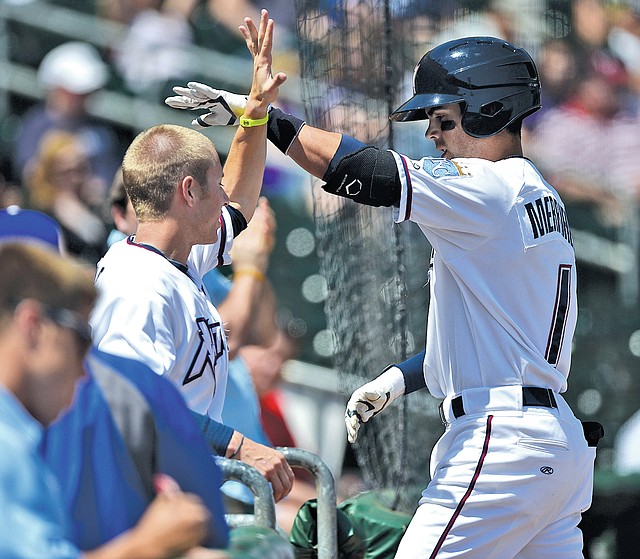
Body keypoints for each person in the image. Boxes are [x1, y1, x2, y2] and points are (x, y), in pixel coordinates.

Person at [167, 29, 602, 557]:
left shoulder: (489, 186)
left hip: (501, 441)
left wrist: (261, 118)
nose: (435, 136)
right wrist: (397, 380)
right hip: (556, 446)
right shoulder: (537, 195)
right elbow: (491, 337)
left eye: (445, 120)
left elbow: (363, 172)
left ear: (490, 111)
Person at [90, 10, 295, 503]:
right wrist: (239, 444)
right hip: (140, 499)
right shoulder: (136, 282)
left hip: (178, 490)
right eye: (213, 185)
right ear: (188, 192)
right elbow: (135, 398)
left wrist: (255, 114)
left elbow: (242, 205)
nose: (224, 197)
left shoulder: (179, 260)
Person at [0, 206, 230, 553]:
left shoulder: (21, 427)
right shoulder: (8, 441)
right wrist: (148, 544)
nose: (84, 369)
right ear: (32, 324)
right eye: (81, 337)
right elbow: (209, 524)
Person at [14, 41, 123, 188]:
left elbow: (109, 181)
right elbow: (30, 174)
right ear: (57, 89)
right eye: (76, 92)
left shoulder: (101, 131)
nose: (84, 97)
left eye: (87, 92)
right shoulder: (36, 124)